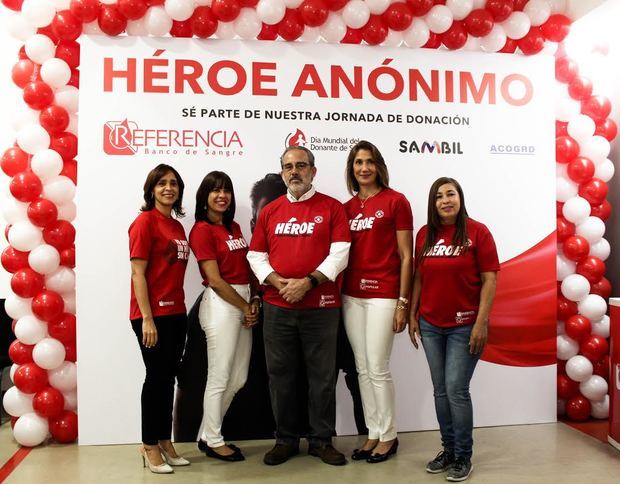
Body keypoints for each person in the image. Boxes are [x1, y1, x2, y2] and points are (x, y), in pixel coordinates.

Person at [247, 146, 351, 466]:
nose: (295, 171)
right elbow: (256, 256)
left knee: (322, 377)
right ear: (282, 173)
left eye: (301, 165)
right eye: (289, 166)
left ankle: (321, 440)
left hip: (321, 305)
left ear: (313, 171)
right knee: (281, 376)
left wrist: (307, 282)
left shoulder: (332, 208)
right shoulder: (270, 211)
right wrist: (280, 284)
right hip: (278, 307)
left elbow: (340, 254)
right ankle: (286, 439)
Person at [409, 177, 499, 482]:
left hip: (465, 326)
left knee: (456, 390)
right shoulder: (425, 234)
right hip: (431, 324)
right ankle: (447, 450)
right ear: (432, 204)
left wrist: (481, 323)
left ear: (460, 198)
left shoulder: (478, 232)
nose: (445, 200)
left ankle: (463, 456)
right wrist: (412, 315)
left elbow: (490, 280)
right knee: (440, 390)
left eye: (451, 194)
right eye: (438, 196)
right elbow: (418, 278)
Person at [341, 141, 413, 463]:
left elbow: (406, 256)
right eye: (358, 162)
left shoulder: (396, 201)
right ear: (352, 169)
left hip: (384, 293)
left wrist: (403, 302)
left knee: (378, 367)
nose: (364, 168)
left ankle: (390, 435)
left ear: (379, 166)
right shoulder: (347, 207)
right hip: (352, 296)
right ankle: (373, 433)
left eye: (370, 162)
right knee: (361, 368)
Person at [189, 171, 260, 462]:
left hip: (244, 302)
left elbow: (247, 268)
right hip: (221, 305)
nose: (222, 195)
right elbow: (215, 280)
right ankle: (215, 440)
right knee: (219, 376)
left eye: (226, 190)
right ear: (204, 197)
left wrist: (254, 300)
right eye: (215, 190)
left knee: (239, 377)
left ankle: (207, 434)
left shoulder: (234, 227)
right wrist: (244, 307)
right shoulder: (201, 230)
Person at [128, 164, 190, 474]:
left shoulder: (177, 227)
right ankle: (148, 445)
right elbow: (137, 273)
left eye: (174, 183)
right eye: (162, 183)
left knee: (167, 380)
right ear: (151, 188)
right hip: (152, 316)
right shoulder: (144, 223)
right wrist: (147, 320)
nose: (169, 188)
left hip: (177, 313)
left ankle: (165, 441)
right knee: (155, 380)